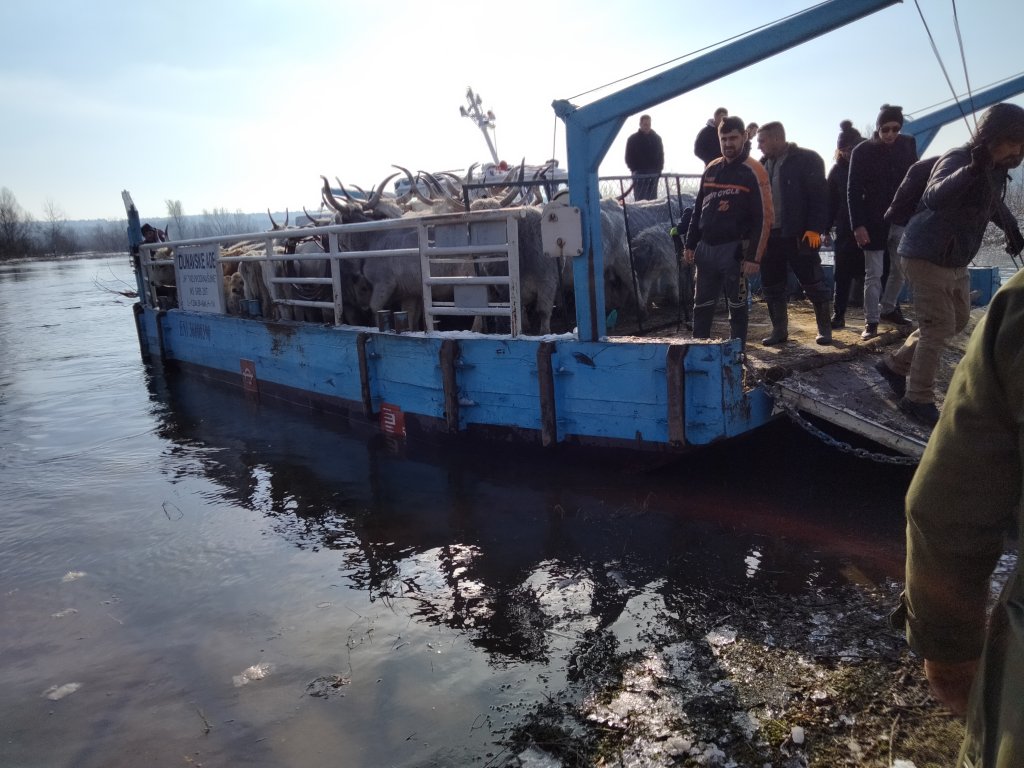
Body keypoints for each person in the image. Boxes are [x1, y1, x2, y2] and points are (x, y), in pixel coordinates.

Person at [897, 263, 1024, 765]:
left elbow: (945, 509)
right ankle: (913, 392)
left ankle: (900, 371)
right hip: (931, 258)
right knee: (938, 323)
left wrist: (947, 645)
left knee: (946, 320)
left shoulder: (1018, 306)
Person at [874, 102, 1024, 426]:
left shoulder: (996, 170)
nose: (1018, 151)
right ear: (994, 136)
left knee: (956, 321)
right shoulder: (959, 158)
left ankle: (894, 366)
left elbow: (993, 204)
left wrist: (1012, 229)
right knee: (938, 326)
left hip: (954, 260)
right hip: (925, 254)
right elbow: (934, 196)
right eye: (1014, 142)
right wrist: (972, 169)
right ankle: (917, 399)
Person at [683, 116, 772, 349]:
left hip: (736, 252)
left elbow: (764, 217)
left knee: (737, 308)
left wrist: (754, 257)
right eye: (723, 139)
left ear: (744, 137)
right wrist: (690, 244)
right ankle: (699, 353)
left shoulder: (755, 170)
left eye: (733, 138)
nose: (728, 143)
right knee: (701, 307)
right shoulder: (711, 168)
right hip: (706, 250)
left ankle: (737, 354)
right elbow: (697, 209)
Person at [755, 122, 833, 345]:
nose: (759, 146)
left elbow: (820, 197)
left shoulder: (807, 159)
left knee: (813, 282)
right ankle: (779, 331)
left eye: (762, 141)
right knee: (772, 285)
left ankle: (824, 329)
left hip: (799, 235)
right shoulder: (761, 166)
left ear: (777, 138)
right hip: (770, 236)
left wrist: (815, 228)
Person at [848, 104, 919, 339]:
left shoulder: (908, 144)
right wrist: (857, 225)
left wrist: (915, 214)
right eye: (885, 129)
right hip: (872, 221)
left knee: (900, 269)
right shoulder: (862, 151)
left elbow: (916, 180)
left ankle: (888, 308)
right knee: (874, 273)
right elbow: (852, 190)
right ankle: (871, 321)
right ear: (878, 128)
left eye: (895, 129)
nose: (890, 134)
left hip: (901, 218)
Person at [827, 120, 866, 329]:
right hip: (844, 229)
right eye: (844, 150)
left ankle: (876, 315)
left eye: (851, 148)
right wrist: (825, 229)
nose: (848, 153)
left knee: (873, 273)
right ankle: (838, 314)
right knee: (841, 273)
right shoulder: (836, 172)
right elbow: (830, 202)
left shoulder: (871, 166)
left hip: (870, 228)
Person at [624, 114, 664, 201]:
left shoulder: (657, 139)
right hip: (639, 173)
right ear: (640, 124)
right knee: (640, 201)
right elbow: (628, 157)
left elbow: (661, 156)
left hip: (653, 173)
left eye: (649, 124)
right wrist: (634, 169)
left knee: (653, 200)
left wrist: (659, 170)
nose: (647, 126)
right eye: (645, 124)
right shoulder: (633, 139)